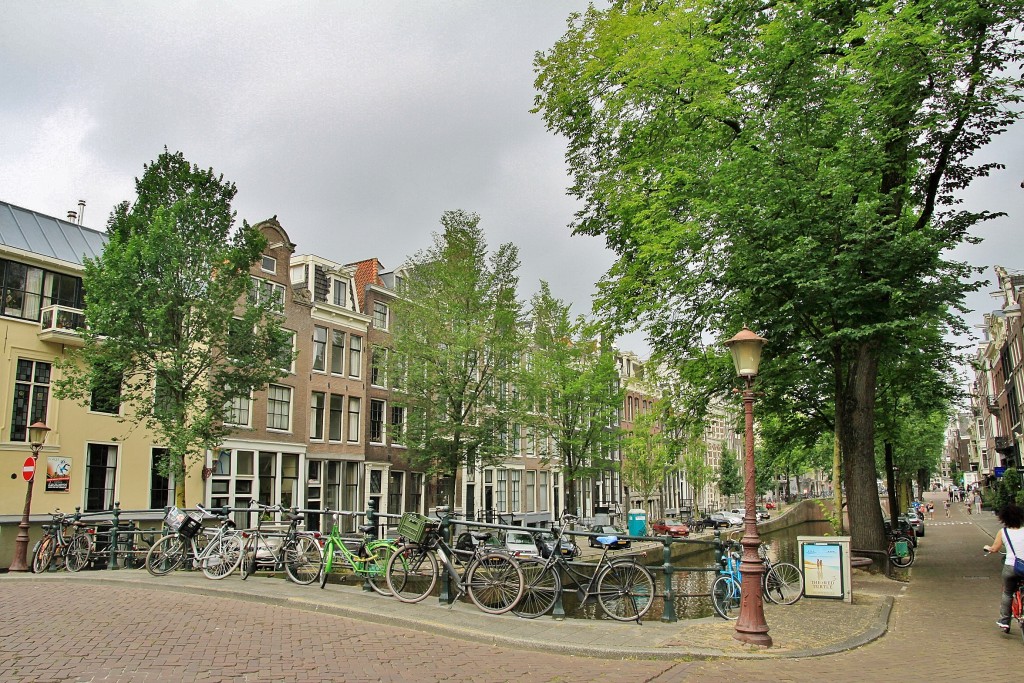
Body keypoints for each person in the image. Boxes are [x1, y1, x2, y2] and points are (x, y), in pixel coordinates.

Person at [983, 502, 1024, 633]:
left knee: (1007, 592)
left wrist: (988, 548)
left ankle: (1004, 621)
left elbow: (995, 548)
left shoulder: (1003, 532)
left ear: (1004, 519)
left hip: (1011, 566)